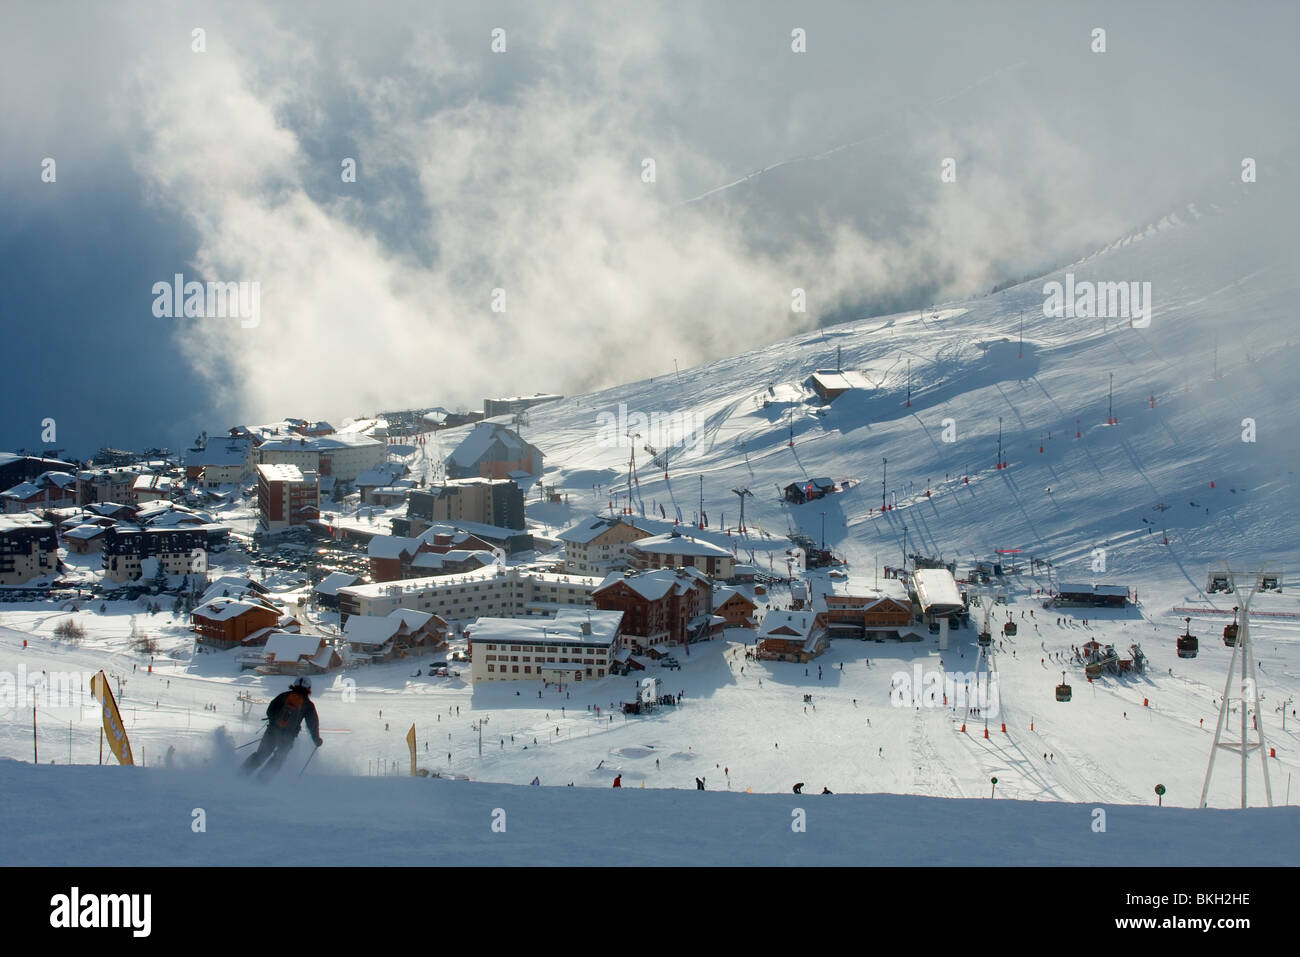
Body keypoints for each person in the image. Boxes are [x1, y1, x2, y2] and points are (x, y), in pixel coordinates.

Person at [241, 676, 321, 778]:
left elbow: (270, 710)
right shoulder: (308, 705)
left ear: (294, 685)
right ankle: (261, 782)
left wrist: (274, 722)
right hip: (288, 737)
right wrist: (316, 739)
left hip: (272, 731)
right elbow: (313, 724)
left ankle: (241, 775)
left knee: (261, 755)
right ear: (309, 688)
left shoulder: (283, 696)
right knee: (278, 759)